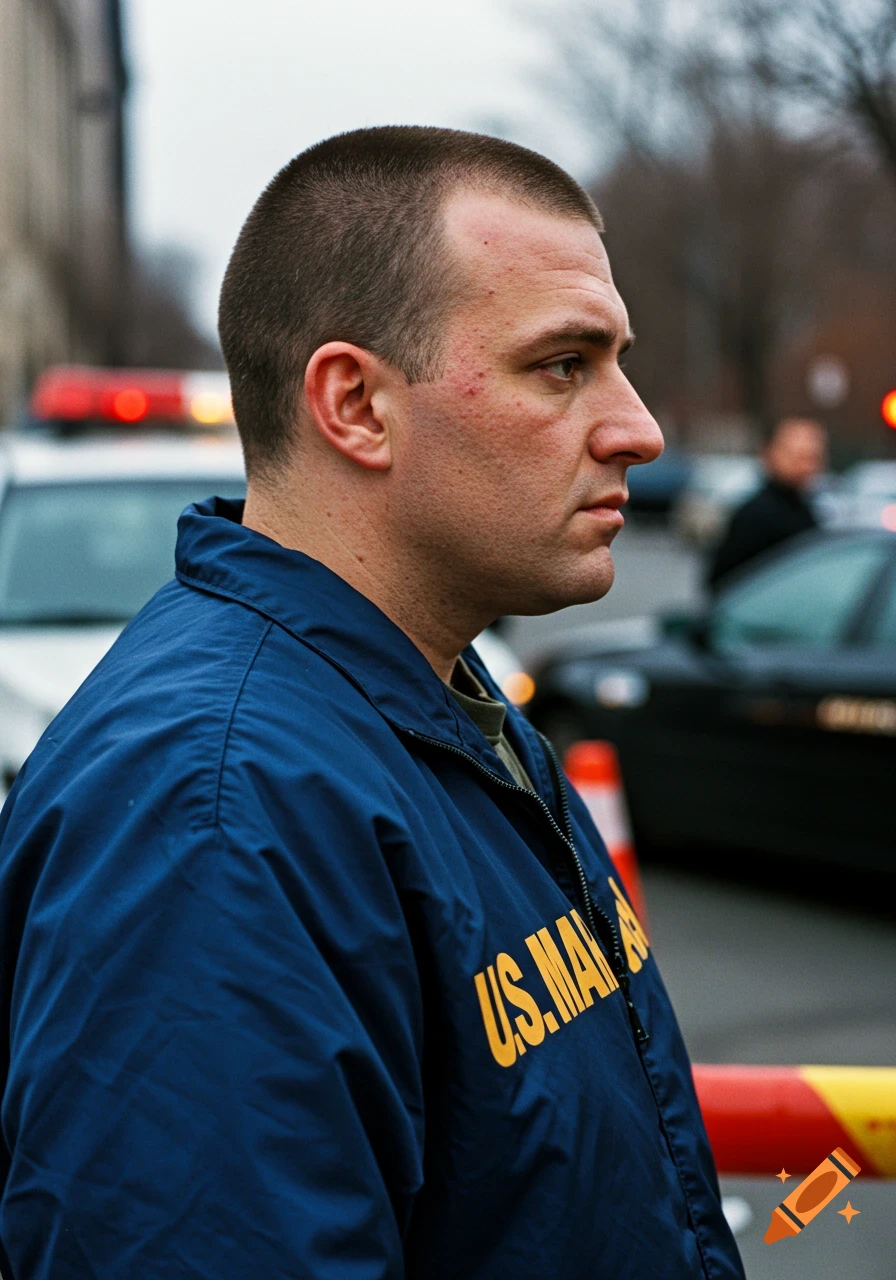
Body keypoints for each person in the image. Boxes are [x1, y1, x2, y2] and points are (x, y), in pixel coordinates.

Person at [0, 127, 745, 1279]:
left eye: (618, 360)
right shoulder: (216, 808)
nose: (636, 428)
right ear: (354, 404)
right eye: (562, 364)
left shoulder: (421, 690)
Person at [707, 417, 828, 590]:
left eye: (813, 457)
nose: (807, 466)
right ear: (769, 453)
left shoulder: (806, 508)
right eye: (797, 455)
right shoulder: (755, 516)